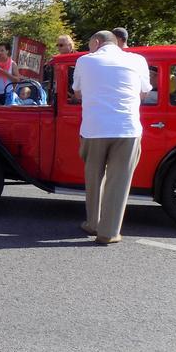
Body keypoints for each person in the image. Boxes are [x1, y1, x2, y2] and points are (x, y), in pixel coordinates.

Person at [72, 30, 151, 245]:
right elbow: (143, 94)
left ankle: (92, 222)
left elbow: (77, 93)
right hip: (127, 128)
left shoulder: (84, 61)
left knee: (94, 177)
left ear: (96, 42)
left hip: (94, 127)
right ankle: (109, 232)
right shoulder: (138, 60)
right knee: (119, 181)